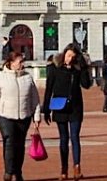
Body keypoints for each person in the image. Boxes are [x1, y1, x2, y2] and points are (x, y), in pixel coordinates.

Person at [0, 52, 41, 181]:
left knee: (20, 144)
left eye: (23, 62)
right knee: (9, 141)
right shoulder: (1, 77)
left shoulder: (27, 78)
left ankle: (18, 171)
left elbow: (35, 99)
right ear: (11, 63)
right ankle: (9, 172)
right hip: (5, 115)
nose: (22, 64)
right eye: (19, 62)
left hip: (24, 116)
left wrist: (37, 116)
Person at [43, 43, 93, 180]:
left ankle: (77, 167)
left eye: (73, 57)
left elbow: (86, 85)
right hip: (60, 107)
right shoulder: (54, 68)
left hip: (75, 107)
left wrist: (83, 66)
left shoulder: (77, 69)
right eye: (68, 55)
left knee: (75, 137)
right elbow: (49, 88)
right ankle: (63, 169)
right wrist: (46, 109)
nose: (69, 59)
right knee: (63, 139)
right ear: (64, 54)